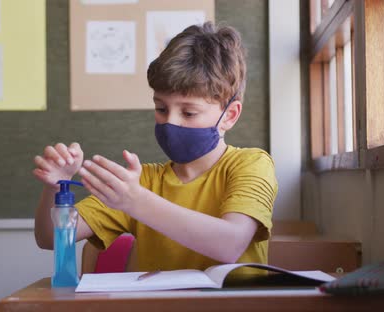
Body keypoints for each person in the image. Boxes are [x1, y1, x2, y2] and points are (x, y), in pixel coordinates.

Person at [33, 22, 278, 275]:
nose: (170, 121)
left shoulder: (252, 164)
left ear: (229, 115)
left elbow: (230, 244)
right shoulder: (143, 181)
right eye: (161, 108)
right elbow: (50, 238)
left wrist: (135, 200)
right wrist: (55, 187)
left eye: (189, 112)